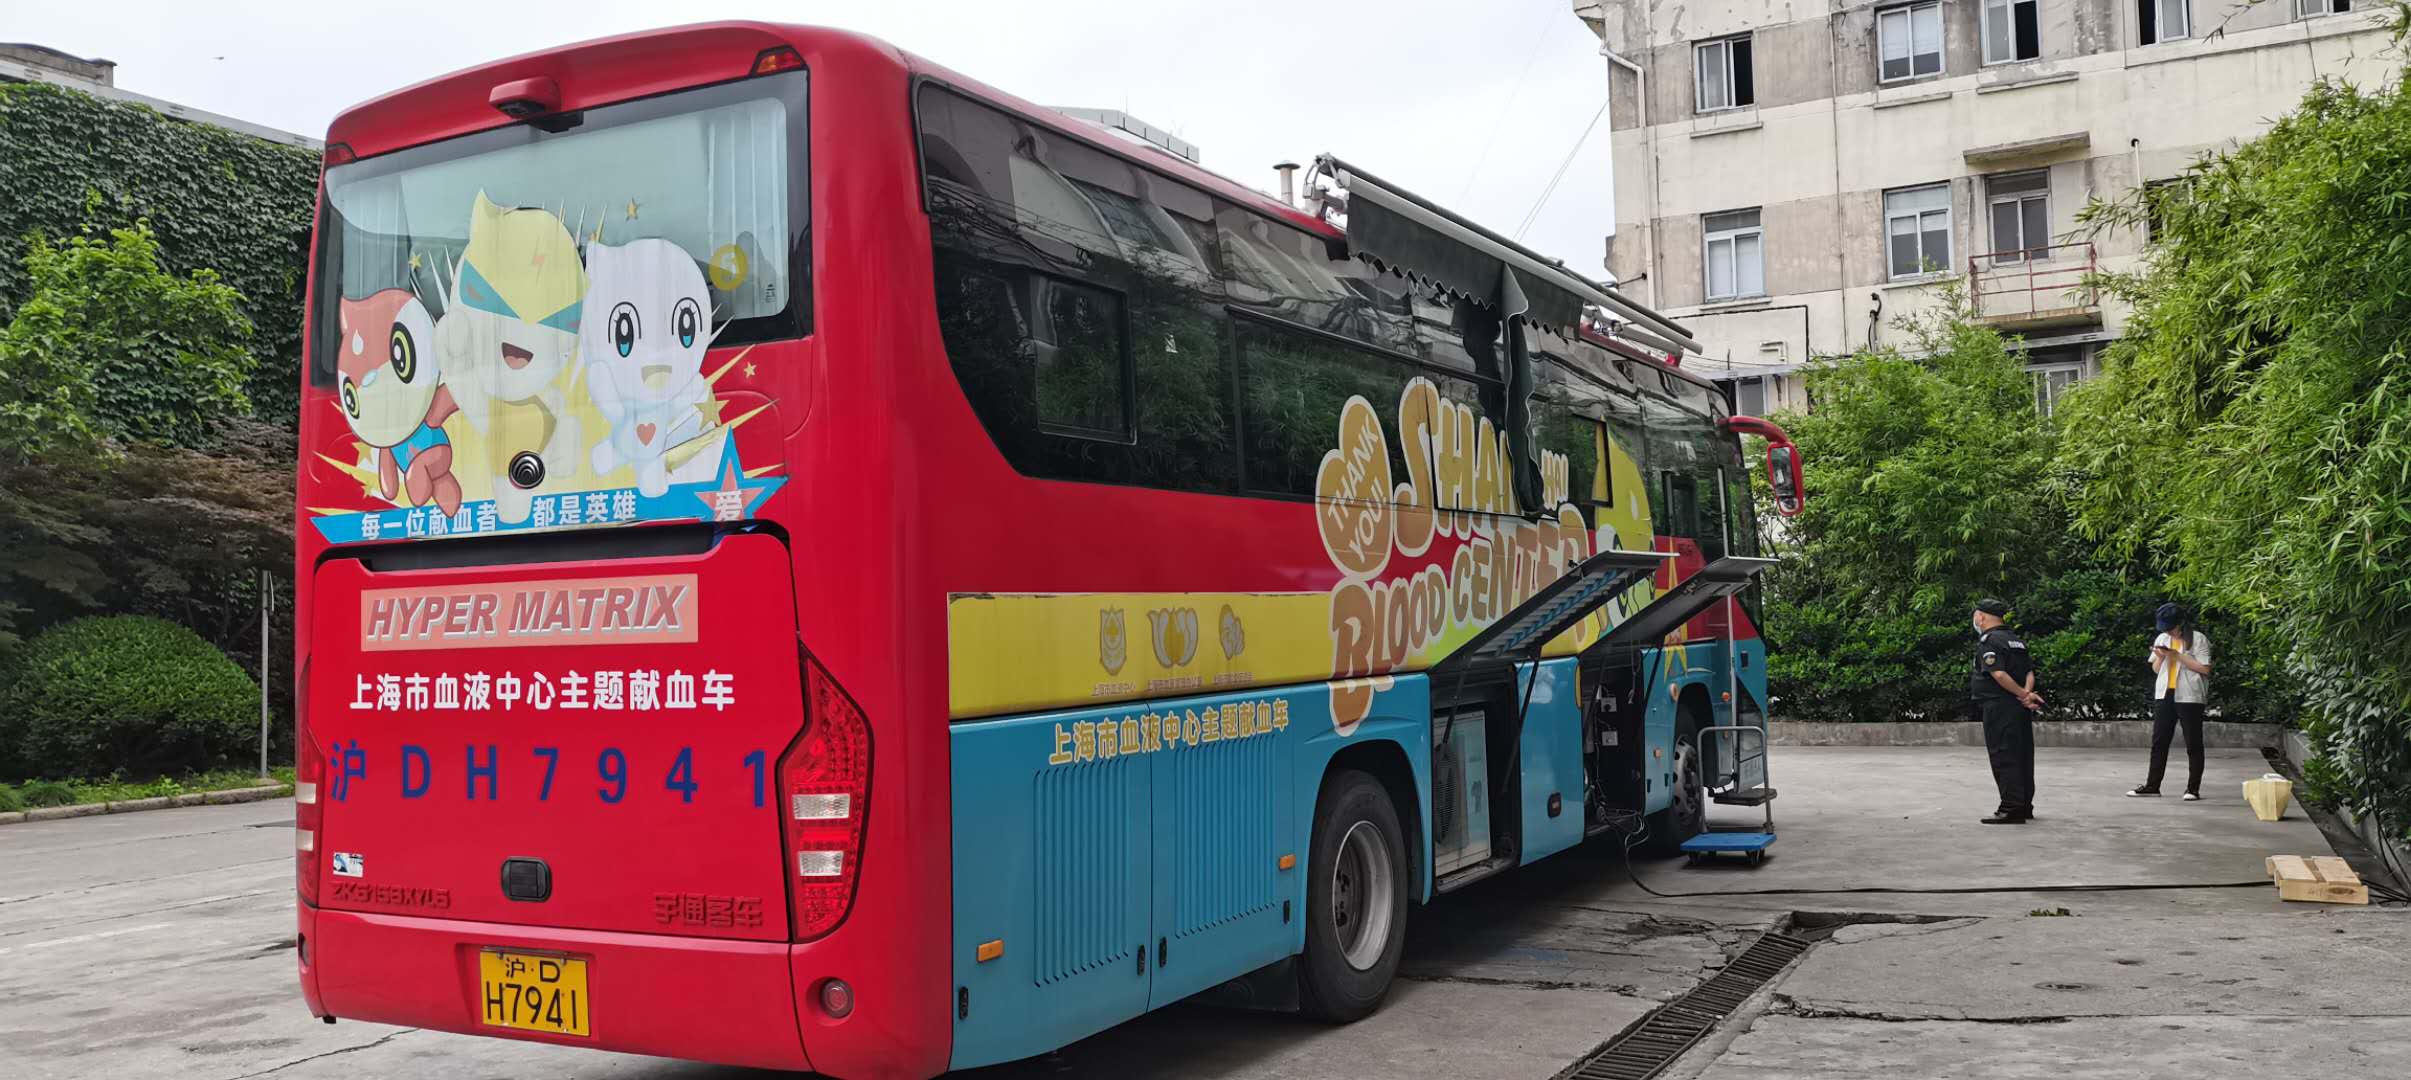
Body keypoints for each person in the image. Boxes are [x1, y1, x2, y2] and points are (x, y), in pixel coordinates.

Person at [1970, 598, 2043, 824]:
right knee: (2022, 756)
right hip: (2018, 707)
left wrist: (2022, 694)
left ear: (1981, 616)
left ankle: (2011, 808)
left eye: (1975, 615)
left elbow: (1999, 674)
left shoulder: (1990, 640)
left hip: (2000, 706)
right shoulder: (2015, 640)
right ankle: (2024, 805)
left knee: (2004, 755)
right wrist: (2026, 695)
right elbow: (2029, 672)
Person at [2129, 603, 2212, 801]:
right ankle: (2152, 785)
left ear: (2180, 623)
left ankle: (2192, 789)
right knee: (2159, 741)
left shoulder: (2198, 639)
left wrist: (2177, 656)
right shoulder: (2162, 639)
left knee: (2193, 742)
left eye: (2170, 627)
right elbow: (2157, 670)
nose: (2167, 631)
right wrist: (2160, 657)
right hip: (2165, 694)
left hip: (2189, 695)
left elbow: (2205, 669)